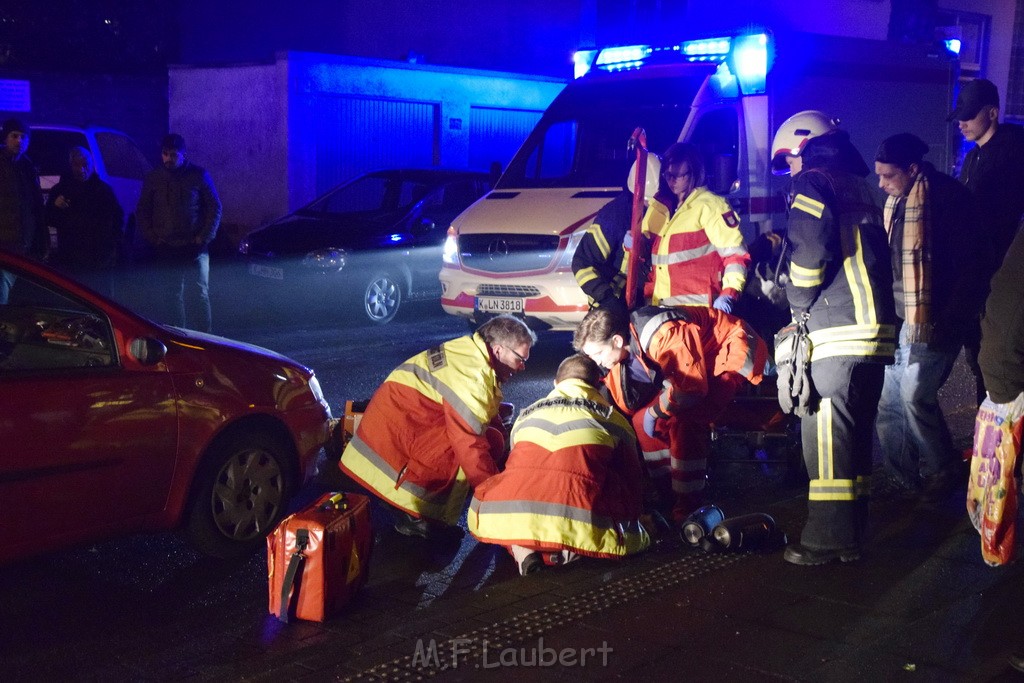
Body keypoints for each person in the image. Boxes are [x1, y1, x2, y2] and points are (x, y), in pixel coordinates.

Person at [769, 110, 896, 565]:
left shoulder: (814, 183)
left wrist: (794, 301)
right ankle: (852, 533)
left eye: (788, 160)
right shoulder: (860, 184)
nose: (789, 171)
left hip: (837, 329)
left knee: (824, 435)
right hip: (874, 331)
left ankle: (826, 538)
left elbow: (809, 258)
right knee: (856, 435)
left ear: (804, 146)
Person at [339, 314, 536, 539]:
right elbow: (469, 443)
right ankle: (412, 514)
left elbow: (485, 414)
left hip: (395, 428)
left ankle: (416, 511)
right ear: (499, 350)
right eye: (520, 359)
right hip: (395, 444)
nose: (522, 368)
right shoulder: (473, 375)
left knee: (492, 438)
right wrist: (496, 501)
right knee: (465, 449)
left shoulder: (470, 352)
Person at [573, 305, 767, 524]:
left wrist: (656, 412)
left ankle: (689, 507)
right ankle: (668, 494)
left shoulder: (664, 334)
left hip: (730, 349)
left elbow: (691, 389)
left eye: (598, 353)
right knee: (640, 420)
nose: (596, 362)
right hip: (700, 364)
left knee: (687, 421)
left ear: (617, 341)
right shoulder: (627, 346)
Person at [872, 133, 983, 502]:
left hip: (934, 320)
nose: (881, 184)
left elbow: (972, 268)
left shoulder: (948, 200)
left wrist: (949, 322)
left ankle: (942, 467)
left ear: (912, 169)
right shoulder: (898, 202)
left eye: (888, 176)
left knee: (914, 395)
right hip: (900, 318)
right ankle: (899, 476)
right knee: (889, 401)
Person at [468, 354, 650, 575]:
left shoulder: (526, 414)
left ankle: (524, 553)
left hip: (509, 514)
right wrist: (636, 520)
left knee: (515, 491)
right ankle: (565, 554)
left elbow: (515, 460)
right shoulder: (613, 420)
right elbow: (633, 479)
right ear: (596, 385)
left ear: (556, 383)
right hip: (575, 517)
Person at [948, 79, 1024, 405]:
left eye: (969, 115)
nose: (962, 123)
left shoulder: (1010, 155)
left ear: (992, 113)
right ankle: (989, 436)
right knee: (979, 358)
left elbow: (994, 221)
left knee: (994, 361)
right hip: (978, 276)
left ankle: (1001, 438)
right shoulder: (973, 158)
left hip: (997, 276)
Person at [642, 142, 749, 313]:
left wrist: (729, 293)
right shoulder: (659, 207)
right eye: (668, 175)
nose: (671, 181)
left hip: (698, 314)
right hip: (659, 310)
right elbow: (646, 256)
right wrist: (635, 245)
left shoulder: (711, 206)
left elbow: (736, 256)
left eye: (678, 175)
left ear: (694, 173)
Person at [136, 133, 221, 331]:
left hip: (194, 246)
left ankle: (205, 340)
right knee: (171, 296)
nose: (168, 159)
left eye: (173, 155)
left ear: (183, 155)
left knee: (199, 295)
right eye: (165, 154)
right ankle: (178, 338)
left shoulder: (198, 175)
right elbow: (142, 210)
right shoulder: (154, 178)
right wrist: (152, 236)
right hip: (166, 246)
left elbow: (214, 206)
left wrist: (204, 237)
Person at [572, 155, 661, 318]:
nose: (651, 205)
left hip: (643, 304)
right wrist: (607, 299)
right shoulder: (614, 216)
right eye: (647, 200)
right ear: (635, 192)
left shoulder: (661, 212)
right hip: (612, 305)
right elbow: (582, 263)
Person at [46, 146, 124, 298]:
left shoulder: (103, 190)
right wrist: (55, 207)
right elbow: (48, 218)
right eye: (77, 165)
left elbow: (118, 218)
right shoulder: (61, 190)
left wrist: (113, 247)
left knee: (102, 300)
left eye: (85, 165)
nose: (81, 169)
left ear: (92, 164)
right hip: (72, 259)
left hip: (99, 259)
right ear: (71, 165)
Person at [0, 118, 47, 302]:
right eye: (14, 136)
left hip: (24, 246)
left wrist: (41, 242)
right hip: (4, 246)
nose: (19, 140)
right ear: (6, 138)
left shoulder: (27, 167)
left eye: (23, 137)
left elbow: (35, 208)